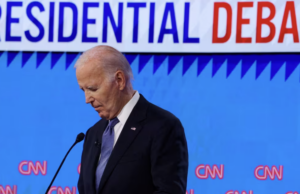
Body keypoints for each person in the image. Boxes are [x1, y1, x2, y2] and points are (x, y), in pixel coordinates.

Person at [75, 45, 188, 194]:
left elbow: (169, 191)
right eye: (83, 90)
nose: (87, 99)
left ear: (120, 80)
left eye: (93, 89)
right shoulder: (93, 133)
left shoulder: (163, 127)